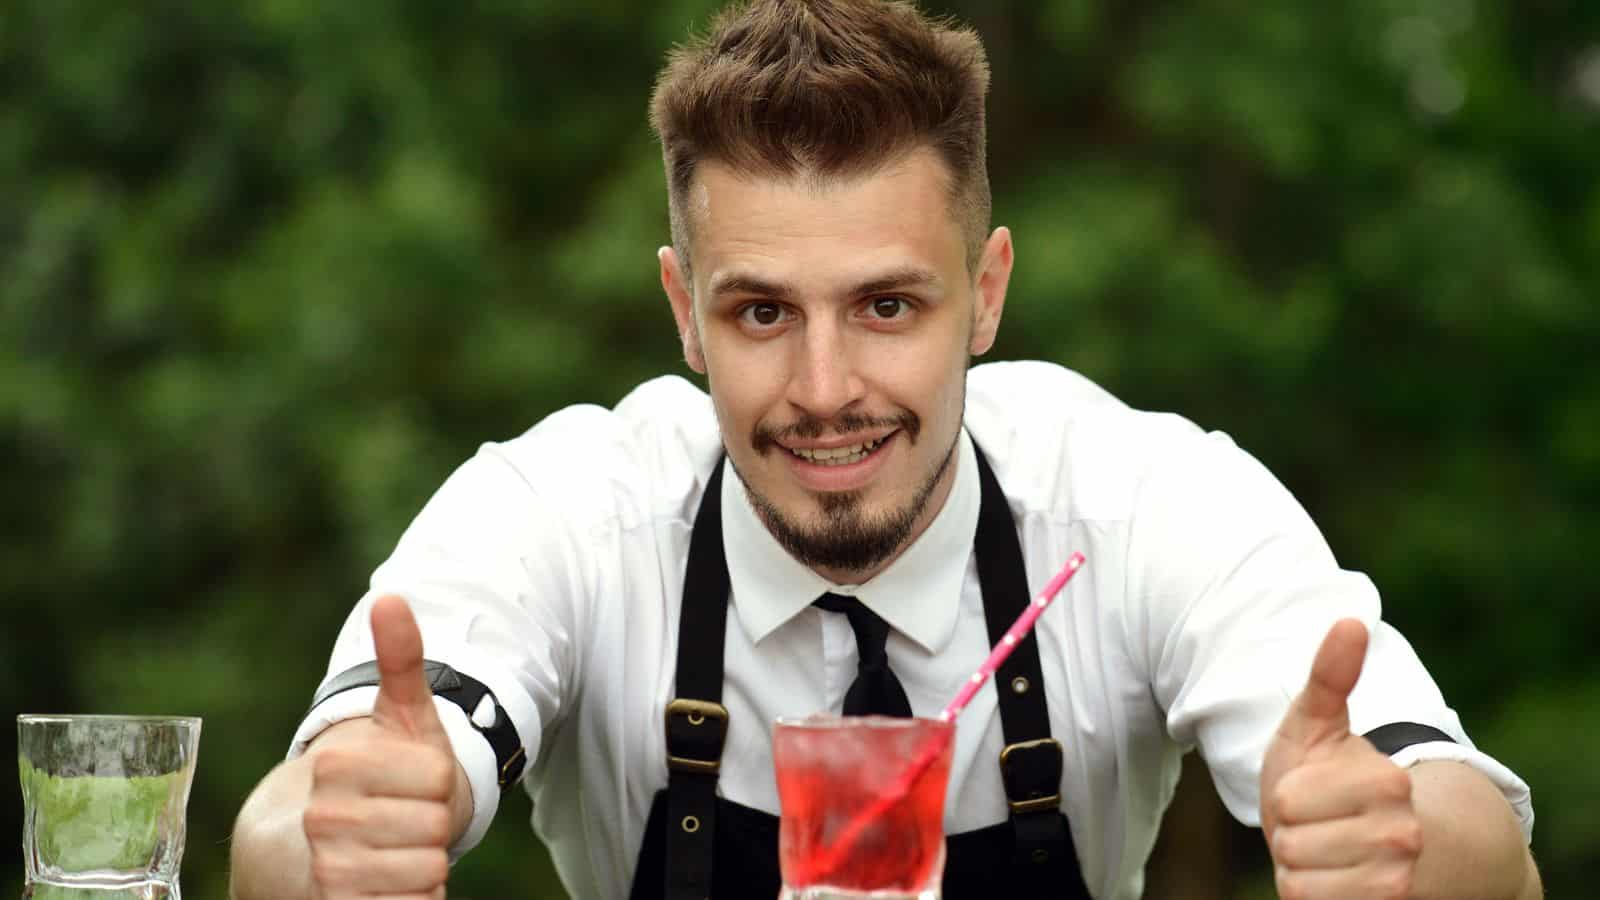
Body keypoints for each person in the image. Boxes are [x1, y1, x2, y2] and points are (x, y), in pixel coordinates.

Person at [228, 1, 1541, 898]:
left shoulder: (1143, 501)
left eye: (887, 306)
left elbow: (1480, 840)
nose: (825, 389)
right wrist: (342, 832)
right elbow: (290, 828)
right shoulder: (573, 507)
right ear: (684, 309)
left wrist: (1406, 845)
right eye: (761, 313)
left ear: (988, 293)